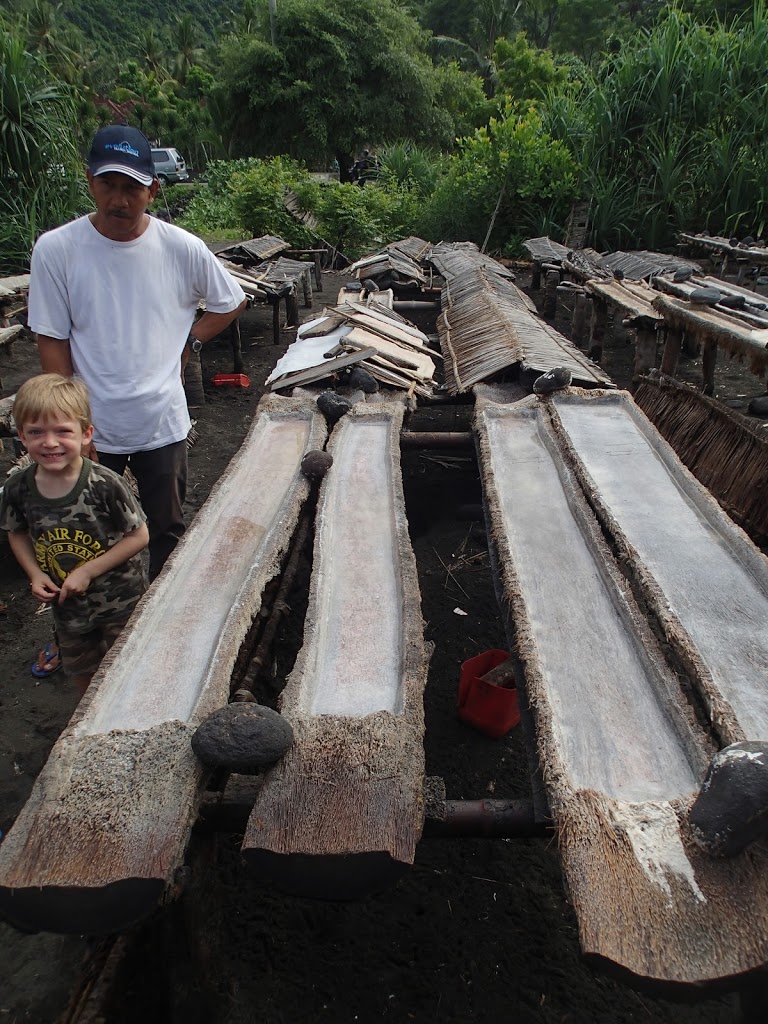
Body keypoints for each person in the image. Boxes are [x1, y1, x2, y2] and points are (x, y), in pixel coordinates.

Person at [26, 124, 247, 675]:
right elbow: (52, 339)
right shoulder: (58, 249)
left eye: (132, 187)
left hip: (160, 420)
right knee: (79, 534)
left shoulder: (180, 247)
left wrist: (192, 342)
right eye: (109, 185)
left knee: (165, 527)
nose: (119, 200)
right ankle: (75, 632)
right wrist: (71, 425)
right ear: (90, 182)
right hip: (90, 423)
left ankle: (162, 626)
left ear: (153, 188)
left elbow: (230, 299)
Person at [0, 374, 149, 696]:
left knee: (130, 667)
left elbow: (138, 536)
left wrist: (87, 571)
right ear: (22, 437)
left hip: (120, 600)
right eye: (36, 432)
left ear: (86, 434)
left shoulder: (104, 484)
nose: (50, 442)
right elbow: (16, 532)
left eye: (62, 431)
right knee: (82, 669)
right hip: (67, 606)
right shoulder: (17, 488)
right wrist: (35, 574)